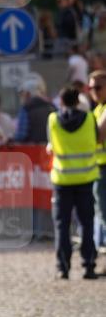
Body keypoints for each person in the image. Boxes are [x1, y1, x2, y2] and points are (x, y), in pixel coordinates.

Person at [47, 86, 106, 280]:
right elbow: (97, 140)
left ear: (61, 101)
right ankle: (88, 266)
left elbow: (51, 146)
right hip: (86, 178)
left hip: (62, 179)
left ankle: (63, 268)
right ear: (78, 100)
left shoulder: (53, 119)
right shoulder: (90, 118)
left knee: (62, 225)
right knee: (86, 224)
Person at [88, 70, 106, 251]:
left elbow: (98, 136)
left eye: (98, 87)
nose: (94, 91)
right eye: (91, 88)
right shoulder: (98, 109)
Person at [14, 75, 54, 143]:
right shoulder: (52, 107)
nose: (22, 97)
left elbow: (21, 135)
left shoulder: (26, 109)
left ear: (28, 94)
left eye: (23, 94)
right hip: (51, 150)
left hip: (31, 151)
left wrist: (11, 139)